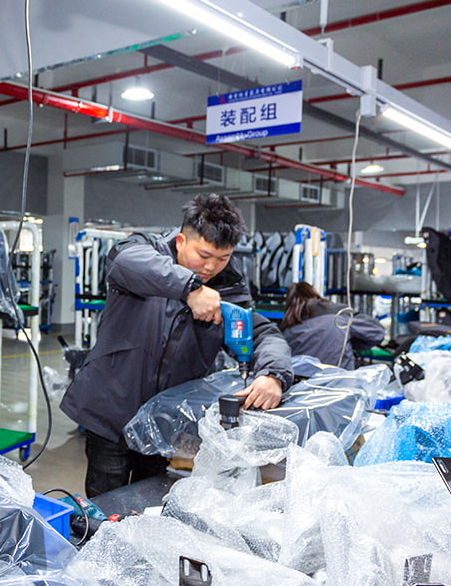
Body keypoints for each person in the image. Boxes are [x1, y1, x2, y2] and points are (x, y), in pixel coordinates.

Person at [60, 194, 293, 498]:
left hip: (163, 420)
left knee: (147, 499)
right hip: (111, 411)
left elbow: (262, 333)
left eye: (222, 258)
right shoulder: (143, 252)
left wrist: (273, 375)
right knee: (105, 502)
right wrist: (190, 288)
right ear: (181, 241)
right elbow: (125, 261)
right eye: (204, 255)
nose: (211, 267)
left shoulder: (228, 288)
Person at [280, 281, 385, 370]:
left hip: (302, 385)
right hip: (340, 383)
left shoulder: (285, 331)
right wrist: (349, 341)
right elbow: (377, 333)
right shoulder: (339, 317)